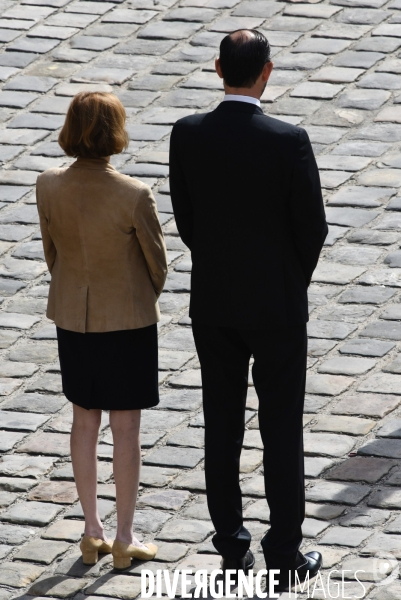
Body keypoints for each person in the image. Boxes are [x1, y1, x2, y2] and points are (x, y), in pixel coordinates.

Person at [169, 30, 328, 590]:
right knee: (282, 428)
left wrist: (219, 266)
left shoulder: (187, 134)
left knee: (221, 425)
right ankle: (285, 552)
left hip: (214, 303)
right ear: (269, 71)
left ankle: (232, 549)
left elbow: (187, 220)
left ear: (217, 68)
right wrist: (288, 281)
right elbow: (312, 227)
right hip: (279, 308)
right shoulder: (289, 139)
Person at [36, 92, 168, 571]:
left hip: (74, 318)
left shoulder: (48, 184)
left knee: (83, 421)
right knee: (126, 428)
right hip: (127, 321)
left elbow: (52, 254)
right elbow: (158, 265)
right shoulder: (133, 194)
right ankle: (124, 537)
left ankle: (91, 530)